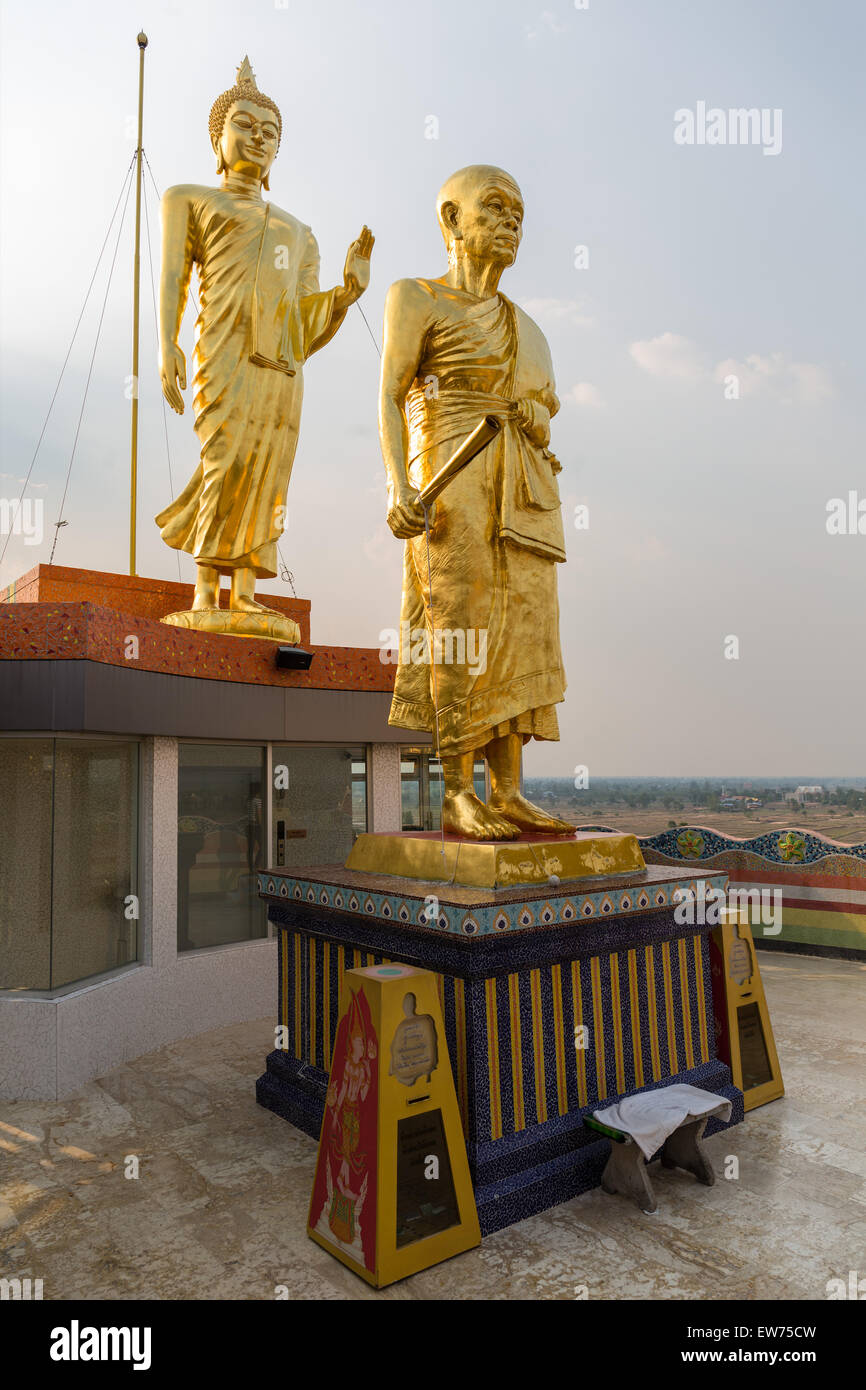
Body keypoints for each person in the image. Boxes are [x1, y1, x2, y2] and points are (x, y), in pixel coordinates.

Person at [379, 165, 573, 839]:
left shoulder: (529, 330)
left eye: (520, 210)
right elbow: (390, 394)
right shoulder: (417, 297)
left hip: (520, 487)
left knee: (520, 631)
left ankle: (509, 790)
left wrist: (534, 417)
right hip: (451, 474)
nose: (512, 219)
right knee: (458, 625)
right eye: (494, 206)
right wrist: (398, 485)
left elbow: (547, 419)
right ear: (451, 220)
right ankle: (458, 789)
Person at [156, 57, 373, 631]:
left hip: (279, 369)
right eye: (245, 125)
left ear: (279, 150)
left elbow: (304, 324)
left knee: (266, 470)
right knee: (224, 458)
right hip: (221, 351)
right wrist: (167, 344)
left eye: (270, 132)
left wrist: (345, 294)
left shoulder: (298, 233)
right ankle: (205, 592)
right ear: (218, 138)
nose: (258, 137)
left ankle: (246, 589)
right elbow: (173, 279)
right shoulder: (189, 199)